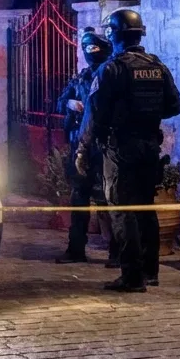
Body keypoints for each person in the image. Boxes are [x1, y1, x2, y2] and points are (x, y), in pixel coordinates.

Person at [77, 9, 180, 293]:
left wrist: (83, 149)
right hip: (149, 146)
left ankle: (132, 276)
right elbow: (174, 106)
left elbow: (94, 114)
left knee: (123, 209)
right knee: (145, 207)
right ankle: (151, 271)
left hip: (120, 149)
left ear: (113, 35)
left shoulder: (111, 69)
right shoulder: (156, 66)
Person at [55, 29, 115, 265]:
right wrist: (71, 104)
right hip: (81, 144)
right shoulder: (81, 78)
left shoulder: (112, 76)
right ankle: (76, 248)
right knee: (79, 196)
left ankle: (116, 251)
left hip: (104, 146)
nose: (90, 54)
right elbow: (61, 102)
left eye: (94, 49)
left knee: (106, 198)